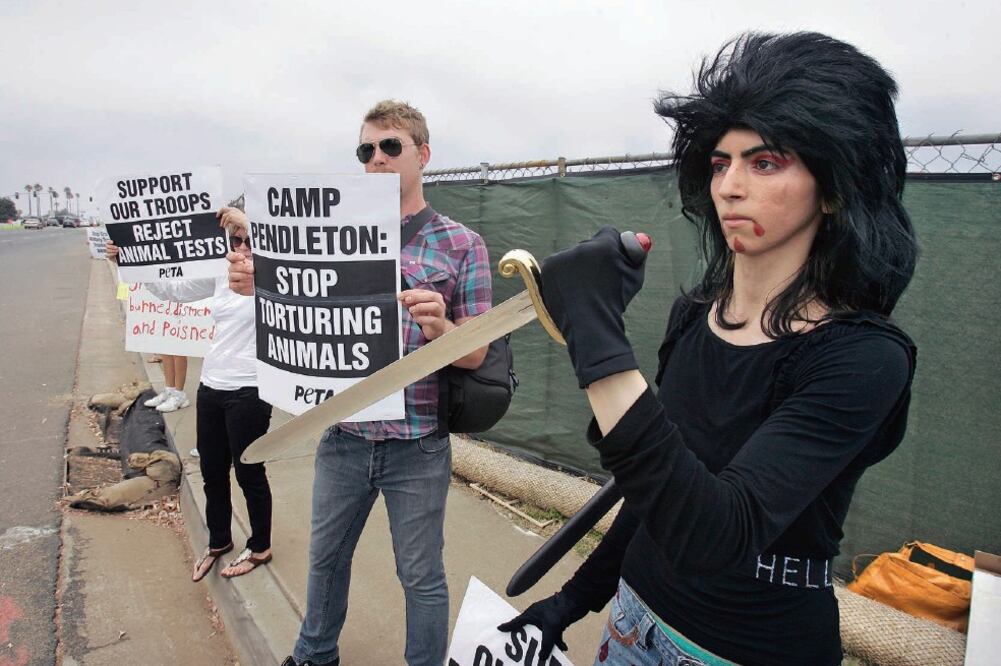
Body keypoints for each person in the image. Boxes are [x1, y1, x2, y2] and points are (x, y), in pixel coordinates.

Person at [499, 32, 919, 666]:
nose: (730, 185)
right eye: (721, 163)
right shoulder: (696, 315)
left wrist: (596, 335)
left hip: (743, 650)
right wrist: (574, 598)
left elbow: (715, 534)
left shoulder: (861, 359)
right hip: (631, 622)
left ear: (833, 189)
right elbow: (657, 493)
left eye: (766, 162)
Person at [228, 100, 493, 666]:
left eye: (390, 146)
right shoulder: (326, 235)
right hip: (342, 433)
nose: (376, 159)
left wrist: (441, 327)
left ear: (422, 154)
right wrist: (259, 285)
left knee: (421, 576)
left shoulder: (462, 245)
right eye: (365, 151)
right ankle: (313, 654)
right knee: (325, 560)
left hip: (418, 443)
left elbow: (475, 354)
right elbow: (300, 302)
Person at [107, 213, 275, 580]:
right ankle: (219, 541)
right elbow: (175, 292)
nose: (243, 249)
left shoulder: (277, 278)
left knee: (249, 473)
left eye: (251, 241)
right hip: (212, 385)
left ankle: (260, 545)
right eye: (236, 241)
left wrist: (250, 225)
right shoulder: (220, 273)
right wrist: (129, 262)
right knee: (213, 471)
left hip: (251, 390)